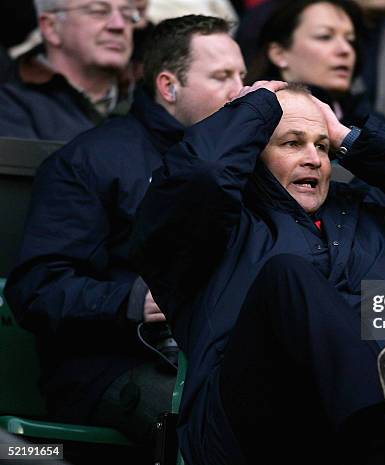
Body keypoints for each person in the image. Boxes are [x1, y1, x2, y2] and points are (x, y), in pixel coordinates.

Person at [128, 78, 385, 463]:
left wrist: (347, 136)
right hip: (248, 429)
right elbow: (205, 172)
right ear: (252, 155)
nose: (314, 158)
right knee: (288, 277)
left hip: (343, 438)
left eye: (322, 146)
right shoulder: (214, 229)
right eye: (292, 143)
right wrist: (257, 107)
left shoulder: (367, 221)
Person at [4, 14, 246, 450]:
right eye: (222, 76)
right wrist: (133, 301)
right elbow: (35, 290)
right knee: (213, 419)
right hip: (110, 367)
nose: (240, 91)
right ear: (169, 86)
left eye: (243, 76)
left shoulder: (249, 165)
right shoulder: (91, 160)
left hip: (216, 360)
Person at [243, 0, 385, 126]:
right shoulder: (248, 123)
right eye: (325, 37)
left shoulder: (368, 127)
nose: (345, 50)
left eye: (350, 40)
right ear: (279, 53)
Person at [0, 0, 138, 141]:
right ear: (51, 27)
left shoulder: (151, 97)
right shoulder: (9, 107)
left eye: (127, 14)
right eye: (98, 11)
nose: (119, 25)